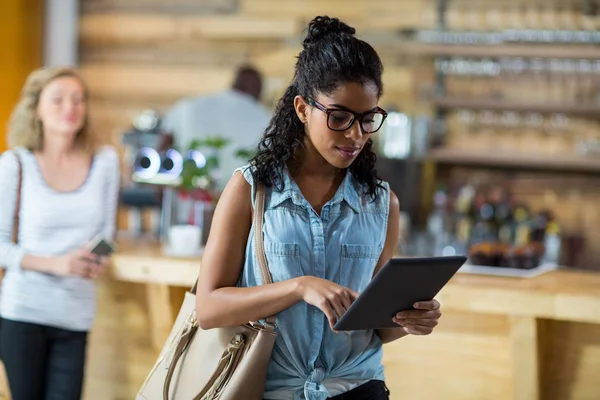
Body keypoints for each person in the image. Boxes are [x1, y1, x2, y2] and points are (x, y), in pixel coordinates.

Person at [196, 16, 443, 400]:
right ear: (302, 108)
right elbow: (208, 308)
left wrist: (411, 319)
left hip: (358, 387)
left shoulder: (381, 204)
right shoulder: (251, 189)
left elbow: (378, 329)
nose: (355, 135)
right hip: (270, 389)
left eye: (367, 119)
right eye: (339, 117)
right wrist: (299, 288)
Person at [0, 67, 120, 400]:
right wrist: (58, 264)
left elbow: (107, 233)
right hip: (22, 311)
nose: (70, 107)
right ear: (36, 108)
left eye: (78, 99)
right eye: (58, 100)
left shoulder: (106, 161)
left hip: (76, 314)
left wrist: (99, 260)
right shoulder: (15, 164)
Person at [161, 65, 271, 190]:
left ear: (234, 83)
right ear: (258, 90)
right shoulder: (263, 116)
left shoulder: (189, 105)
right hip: (238, 199)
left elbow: (164, 143)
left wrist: (160, 186)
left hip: (187, 194)